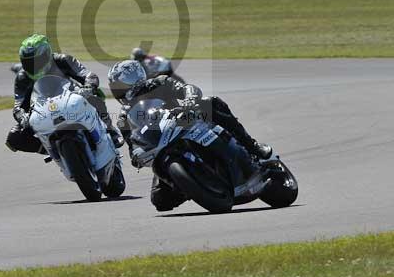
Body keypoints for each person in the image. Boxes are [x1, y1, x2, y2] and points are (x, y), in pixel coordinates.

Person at [108, 60, 272, 211]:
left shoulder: (159, 83)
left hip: (187, 124)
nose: (118, 92)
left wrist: (190, 99)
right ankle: (195, 186)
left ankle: (252, 146)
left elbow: (186, 88)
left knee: (212, 103)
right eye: (115, 88)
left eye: (120, 86)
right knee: (160, 201)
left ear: (135, 79)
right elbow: (133, 144)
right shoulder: (123, 117)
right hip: (162, 147)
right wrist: (136, 155)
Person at [6, 34, 123, 154]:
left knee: (95, 95)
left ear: (47, 55)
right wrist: (22, 116)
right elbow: (18, 106)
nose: (33, 66)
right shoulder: (22, 77)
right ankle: (51, 150)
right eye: (28, 63)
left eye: (37, 61)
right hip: (43, 108)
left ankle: (109, 129)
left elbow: (87, 75)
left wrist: (88, 86)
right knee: (14, 137)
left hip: (71, 98)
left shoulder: (62, 60)